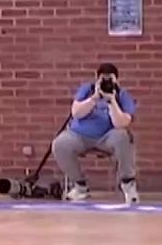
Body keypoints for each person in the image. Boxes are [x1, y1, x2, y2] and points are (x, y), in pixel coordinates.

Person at [53, 62, 138, 205]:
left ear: (116, 80)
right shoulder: (87, 89)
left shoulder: (122, 95)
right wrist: (94, 98)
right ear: (97, 79)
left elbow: (121, 123)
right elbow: (76, 113)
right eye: (102, 79)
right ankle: (80, 186)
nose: (106, 83)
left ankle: (128, 184)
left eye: (109, 79)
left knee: (123, 137)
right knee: (60, 144)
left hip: (107, 136)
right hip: (79, 135)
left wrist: (112, 101)